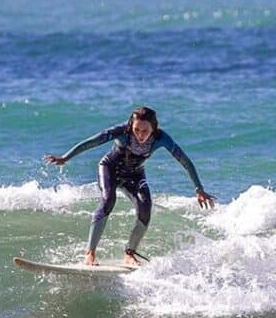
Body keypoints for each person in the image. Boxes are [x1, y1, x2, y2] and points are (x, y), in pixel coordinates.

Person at [45, 106, 216, 266]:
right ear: (130, 126)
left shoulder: (161, 138)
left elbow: (185, 161)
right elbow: (92, 142)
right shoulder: (121, 132)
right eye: (136, 130)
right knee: (108, 200)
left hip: (134, 175)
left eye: (145, 131)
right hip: (109, 168)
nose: (140, 135)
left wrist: (199, 189)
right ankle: (90, 253)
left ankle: (130, 253)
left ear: (153, 129)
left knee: (145, 208)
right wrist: (66, 157)